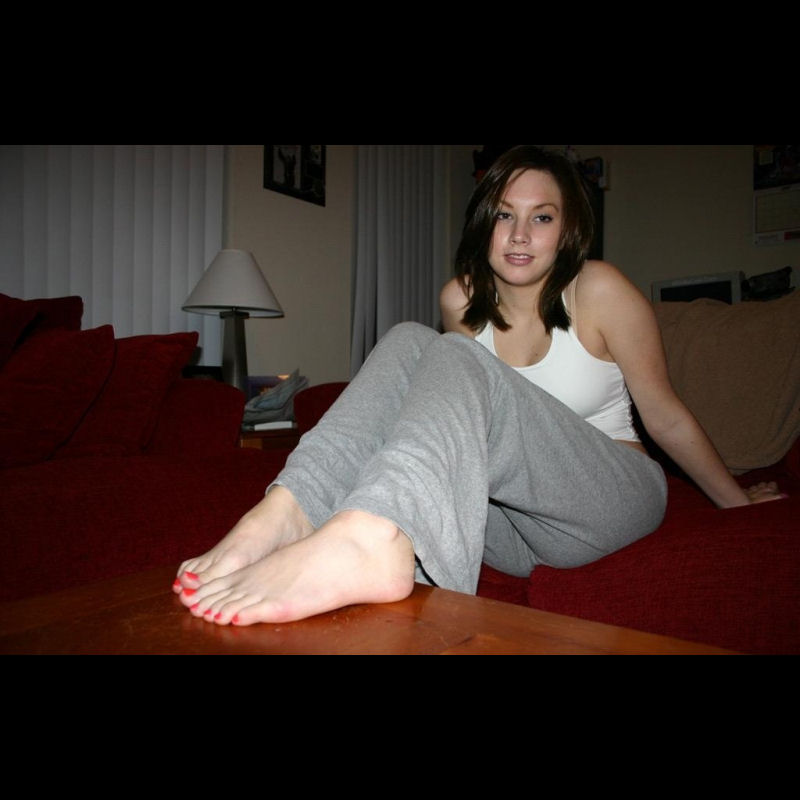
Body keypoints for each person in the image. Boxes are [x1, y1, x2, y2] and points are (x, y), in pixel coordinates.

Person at [173, 145, 783, 626]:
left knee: (455, 356)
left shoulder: (599, 289)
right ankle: (287, 511)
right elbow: (442, 423)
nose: (519, 235)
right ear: (483, 223)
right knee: (409, 339)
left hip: (612, 499)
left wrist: (734, 502)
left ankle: (370, 538)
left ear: (567, 229)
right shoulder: (458, 301)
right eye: (503, 215)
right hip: (512, 528)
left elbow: (665, 414)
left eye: (541, 217)